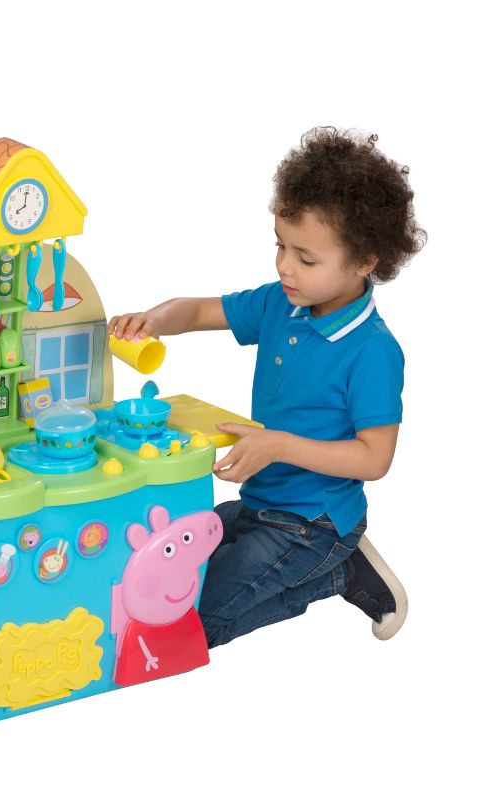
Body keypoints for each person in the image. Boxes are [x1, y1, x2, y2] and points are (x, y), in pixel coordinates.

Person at [107, 127, 426, 647]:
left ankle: (338, 572)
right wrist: (154, 320)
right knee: (158, 574)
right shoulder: (284, 302)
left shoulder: (372, 351)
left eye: (306, 258)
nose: (284, 266)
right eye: (280, 245)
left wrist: (276, 445)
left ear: (365, 261)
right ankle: (325, 564)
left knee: (183, 626)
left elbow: (375, 458)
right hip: (259, 504)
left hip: (313, 525)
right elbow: (200, 311)